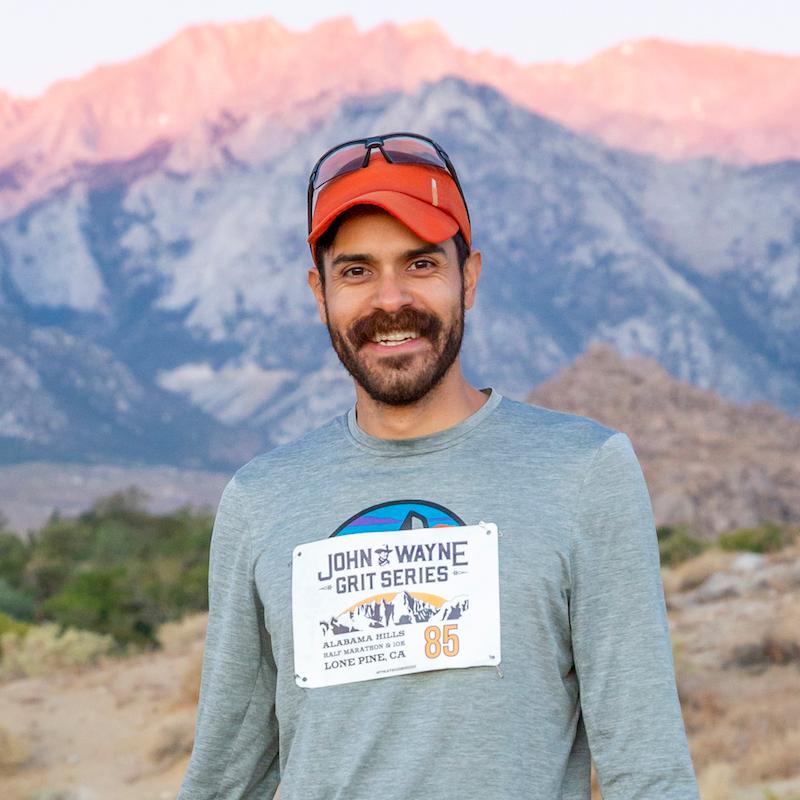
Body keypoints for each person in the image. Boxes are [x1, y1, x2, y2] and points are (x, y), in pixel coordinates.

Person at [177, 133, 699, 799]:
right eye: (357, 271)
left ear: (469, 277)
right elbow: (226, 774)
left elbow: (648, 769)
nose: (389, 300)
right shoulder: (262, 499)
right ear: (320, 292)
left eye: (420, 264)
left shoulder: (583, 472)